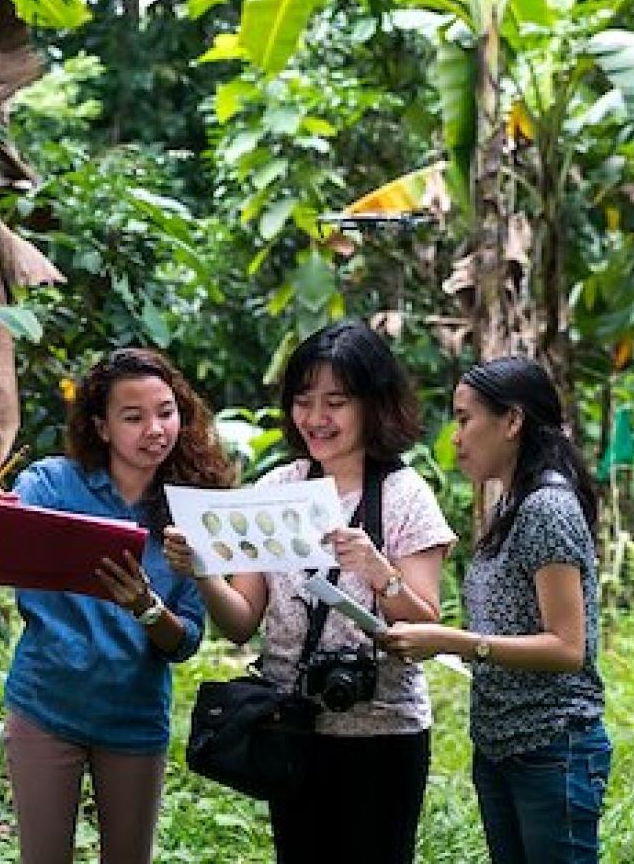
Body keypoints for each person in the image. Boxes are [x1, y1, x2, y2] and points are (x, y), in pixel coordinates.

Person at [162, 321, 455, 864]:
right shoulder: (276, 489)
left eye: (336, 402)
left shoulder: (406, 496)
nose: (316, 419)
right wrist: (203, 571)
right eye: (303, 401)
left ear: (374, 404)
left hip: (383, 732)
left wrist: (377, 569)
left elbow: (425, 629)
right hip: (291, 727)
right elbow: (242, 621)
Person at [0, 348, 236, 864]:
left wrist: (146, 607)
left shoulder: (191, 507)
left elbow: (184, 640)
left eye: (166, 412)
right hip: (46, 705)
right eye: (133, 417)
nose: (155, 430)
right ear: (101, 426)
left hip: (135, 716)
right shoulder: (50, 486)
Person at [379, 356, 609, 864]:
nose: (455, 437)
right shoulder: (510, 503)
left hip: (552, 748)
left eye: (465, 419)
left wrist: (448, 641)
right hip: (503, 747)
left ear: (512, 421)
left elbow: (568, 648)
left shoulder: (547, 507)